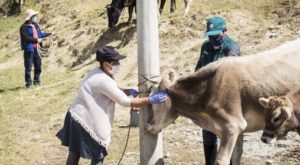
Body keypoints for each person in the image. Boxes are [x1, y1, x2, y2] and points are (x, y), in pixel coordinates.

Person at [56, 46, 168, 165]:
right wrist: (151, 99)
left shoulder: (97, 73)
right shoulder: (103, 80)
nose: (118, 64)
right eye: (116, 62)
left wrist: (127, 91)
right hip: (83, 120)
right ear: (106, 64)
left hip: (75, 115)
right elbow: (126, 102)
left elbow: (112, 91)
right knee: (98, 154)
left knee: (75, 152)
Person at [195, 16, 240, 165]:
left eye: (216, 35)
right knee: (208, 131)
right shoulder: (205, 47)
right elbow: (199, 69)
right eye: (211, 36)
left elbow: (227, 73)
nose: (213, 38)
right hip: (208, 98)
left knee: (228, 134)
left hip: (227, 100)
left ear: (225, 31)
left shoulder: (232, 47)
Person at [19, 9, 53, 88]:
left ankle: (37, 81)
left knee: (38, 65)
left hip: (37, 49)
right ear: (30, 17)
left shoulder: (36, 25)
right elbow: (26, 38)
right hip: (29, 49)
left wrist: (50, 33)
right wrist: (36, 40)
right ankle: (28, 83)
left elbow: (40, 34)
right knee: (28, 67)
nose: (35, 17)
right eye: (34, 16)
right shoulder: (23, 27)